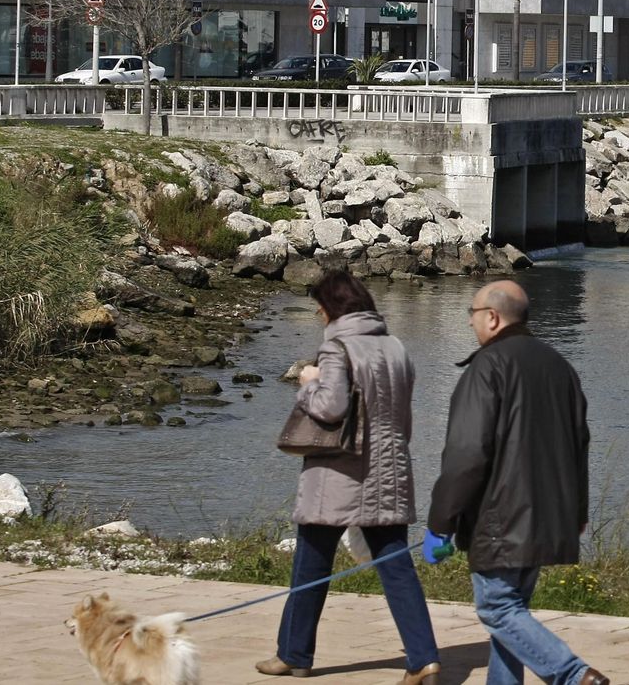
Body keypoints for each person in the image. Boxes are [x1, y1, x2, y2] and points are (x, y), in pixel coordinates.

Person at [257, 271, 441, 684]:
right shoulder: (395, 347)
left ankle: (294, 654)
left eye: (319, 307)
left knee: (310, 563)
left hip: (339, 471)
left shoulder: (337, 347)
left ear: (331, 307)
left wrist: (308, 383)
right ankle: (425, 659)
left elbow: (330, 408)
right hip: (389, 468)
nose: (319, 314)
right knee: (396, 566)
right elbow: (402, 416)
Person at [427, 281, 608, 685]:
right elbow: (580, 444)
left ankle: (574, 676)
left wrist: (441, 520)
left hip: (502, 518)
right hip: (548, 514)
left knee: (498, 611)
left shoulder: (487, 366)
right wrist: (576, 510)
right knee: (511, 618)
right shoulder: (559, 365)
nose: (471, 322)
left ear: (491, 317)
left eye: (471, 314)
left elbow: (466, 454)